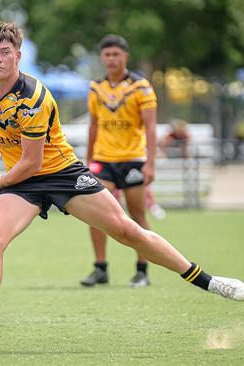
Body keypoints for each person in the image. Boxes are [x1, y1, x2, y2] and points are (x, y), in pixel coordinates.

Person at [0, 20, 244, 354]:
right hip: (22, 181)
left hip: (60, 173)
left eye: (4, 52)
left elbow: (32, 163)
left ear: (18, 56)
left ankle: (208, 281)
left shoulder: (34, 98)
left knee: (128, 231)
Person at [80, 34, 158, 289]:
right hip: (103, 159)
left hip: (133, 159)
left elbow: (151, 127)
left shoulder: (141, 87)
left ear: (125, 56)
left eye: (116, 54)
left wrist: (151, 163)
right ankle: (100, 268)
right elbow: (93, 125)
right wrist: (88, 159)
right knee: (95, 213)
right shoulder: (96, 87)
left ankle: (142, 270)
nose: (112, 59)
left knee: (137, 215)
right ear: (102, 57)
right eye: (107, 55)